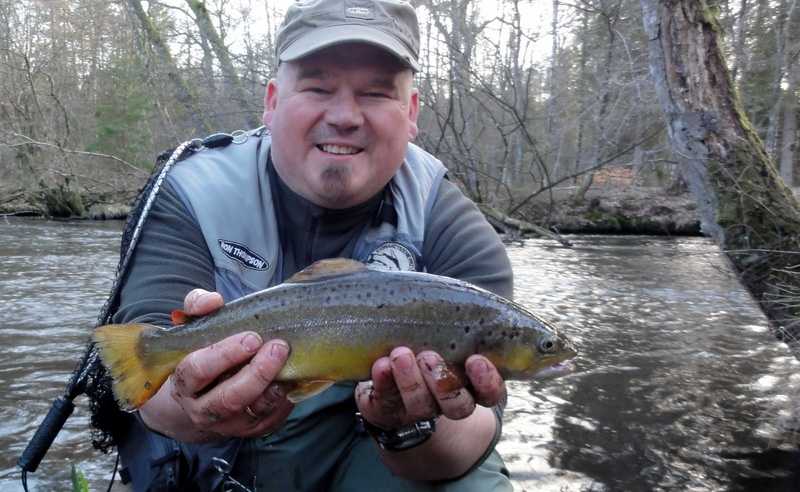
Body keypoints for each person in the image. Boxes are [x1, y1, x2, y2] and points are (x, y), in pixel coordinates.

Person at [108, 0, 515, 490]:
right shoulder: (190, 190)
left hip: (371, 456)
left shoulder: (448, 221)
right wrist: (192, 405)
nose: (344, 116)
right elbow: (149, 394)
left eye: (375, 93)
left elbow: (471, 437)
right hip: (212, 456)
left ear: (410, 113)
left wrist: (406, 423)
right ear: (273, 100)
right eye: (318, 87)